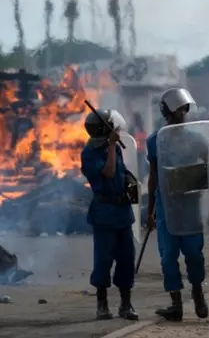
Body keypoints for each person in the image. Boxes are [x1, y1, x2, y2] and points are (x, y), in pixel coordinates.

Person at [146, 88, 209, 322]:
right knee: (168, 256)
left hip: (191, 205)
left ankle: (198, 293)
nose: (181, 113)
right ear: (167, 111)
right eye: (177, 109)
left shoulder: (196, 138)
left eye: (184, 109)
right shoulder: (155, 140)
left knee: (194, 254)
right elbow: (153, 175)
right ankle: (176, 303)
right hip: (166, 208)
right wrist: (150, 209)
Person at [80, 109, 138, 321]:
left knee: (126, 260)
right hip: (104, 213)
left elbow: (121, 174)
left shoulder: (111, 148)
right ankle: (102, 304)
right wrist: (112, 146)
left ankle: (126, 303)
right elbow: (109, 172)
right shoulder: (89, 153)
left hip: (122, 212)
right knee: (103, 261)